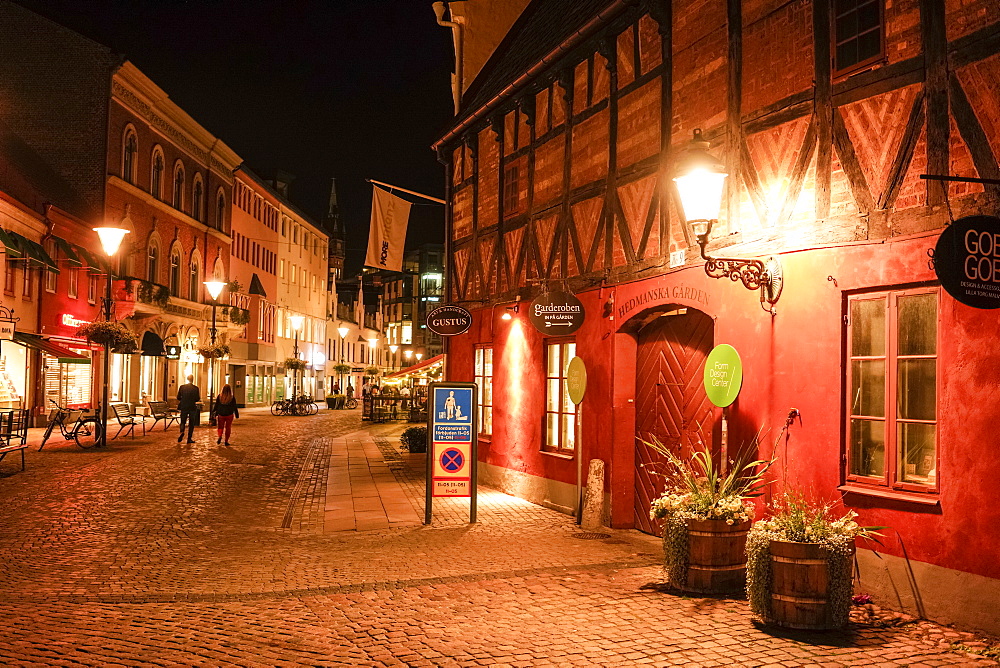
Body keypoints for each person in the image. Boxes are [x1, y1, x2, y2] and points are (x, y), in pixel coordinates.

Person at [176, 375, 200, 443]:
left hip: (184, 406)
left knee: (183, 421)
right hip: (192, 406)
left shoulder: (182, 387)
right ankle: (189, 438)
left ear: (187, 379)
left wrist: (183, 400)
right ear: (193, 380)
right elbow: (197, 398)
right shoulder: (195, 388)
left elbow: (178, 397)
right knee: (191, 423)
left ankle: (182, 431)